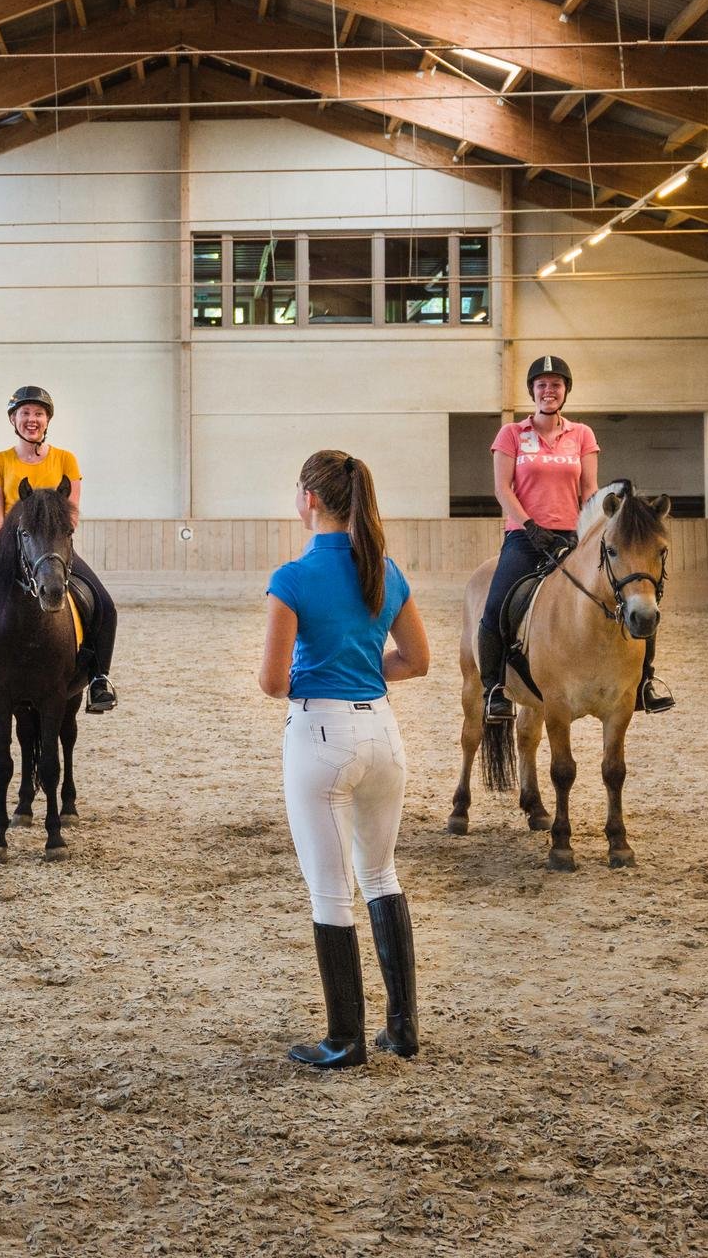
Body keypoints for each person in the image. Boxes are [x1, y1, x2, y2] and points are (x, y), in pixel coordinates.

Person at [258, 448, 429, 1070]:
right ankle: (402, 1028)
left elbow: (274, 681)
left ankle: (345, 1039)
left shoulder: (293, 578)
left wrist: (324, 671)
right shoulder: (386, 570)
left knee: (331, 894)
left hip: (321, 737)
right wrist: (359, 668)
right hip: (383, 734)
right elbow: (415, 660)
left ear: (310, 500)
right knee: (381, 876)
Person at [478, 355, 672, 726]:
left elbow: (589, 490)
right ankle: (494, 690)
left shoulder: (581, 435)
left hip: (572, 538)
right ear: (532, 391)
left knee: (629, 597)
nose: (548, 391)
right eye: (541, 385)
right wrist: (530, 525)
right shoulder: (512, 435)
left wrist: (599, 525)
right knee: (496, 606)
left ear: (565, 391)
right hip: (524, 537)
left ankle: (645, 681)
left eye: (555, 385)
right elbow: (503, 489)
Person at [0, 386, 118, 714]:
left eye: (38, 413)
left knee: (105, 605)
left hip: (52, 550)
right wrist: (10, 547)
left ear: (47, 419)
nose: (31, 419)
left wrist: (51, 546)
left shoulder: (66, 459)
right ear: (13, 419)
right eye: (25, 413)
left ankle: (98, 679)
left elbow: (71, 512)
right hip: (5, 549)